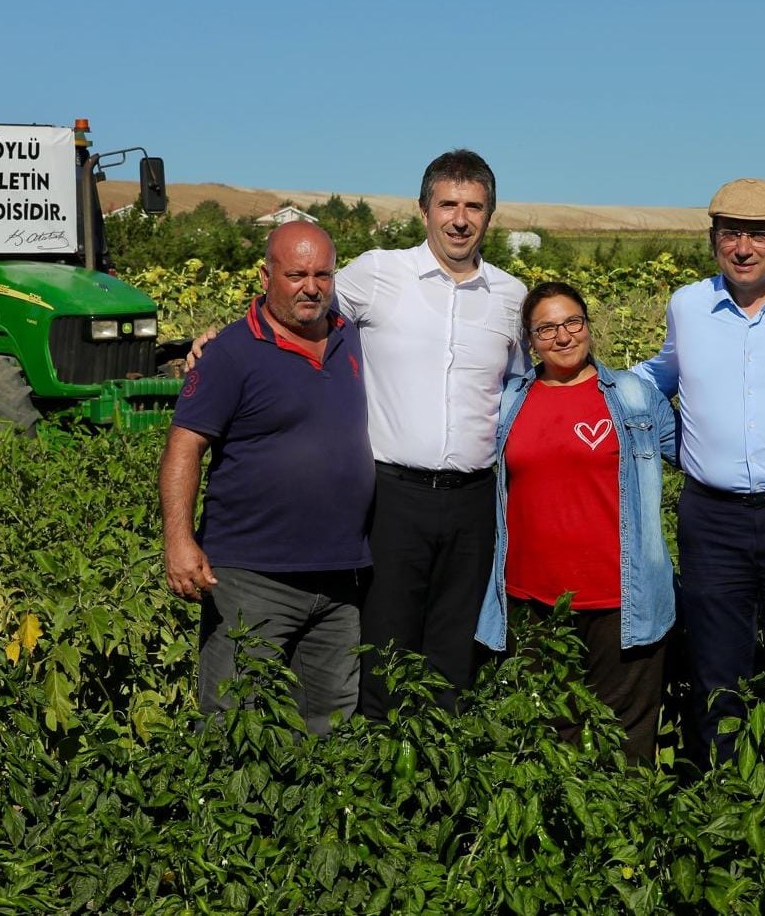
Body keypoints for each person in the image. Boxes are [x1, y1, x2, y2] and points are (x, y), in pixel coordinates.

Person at [192, 151, 528, 717]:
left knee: (454, 647)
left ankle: (440, 773)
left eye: (474, 207)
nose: (460, 219)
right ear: (424, 211)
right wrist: (223, 340)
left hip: (474, 499)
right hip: (393, 495)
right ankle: (374, 773)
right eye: (448, 204)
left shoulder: (511, 296)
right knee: (385, 645)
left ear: (490, 216)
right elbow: (297, 302)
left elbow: (524, 386)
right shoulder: (377, 272)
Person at [633, 178, 765, 757]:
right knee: (713, 670)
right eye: (731, 234)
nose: (743, 248)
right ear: (713, 239)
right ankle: (718, 806)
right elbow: (658, 378)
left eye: (758, 235)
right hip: (713, 517)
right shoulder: (687, 306)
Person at [160, 222, 371, 735]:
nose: (311, 287)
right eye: (296, 274)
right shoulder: (231, 353)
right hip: (253, 577)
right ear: (266, 275)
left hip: (341, 578)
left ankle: (315, 816)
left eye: (322, 274)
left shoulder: (353, 338)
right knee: (235, 723)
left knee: (330, 723)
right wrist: (178, 540)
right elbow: (183, 447)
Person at [476, 282, 678, 762]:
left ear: (588, 326)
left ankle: (629, 831)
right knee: (551, 733)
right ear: (529, 341)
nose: (563, 336)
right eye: (546, 328)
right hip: (533, 600)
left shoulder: (634, 394)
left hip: (621, 598)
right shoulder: (507, 402)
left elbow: (697, 454)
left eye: (573, 322)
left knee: (626, 738)